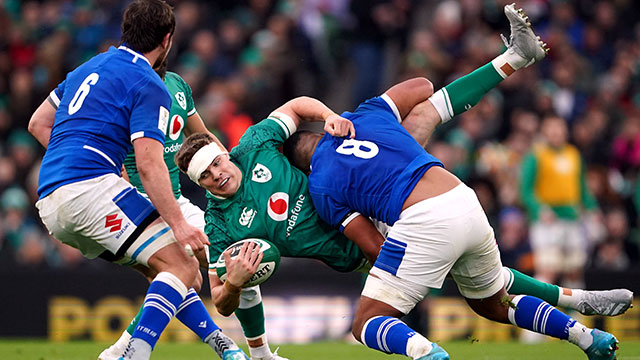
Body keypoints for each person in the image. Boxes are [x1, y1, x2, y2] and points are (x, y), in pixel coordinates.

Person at [174, 4, 631, 348]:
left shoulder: (314, 181)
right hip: (457, 196)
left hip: (400, 225)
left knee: (368, 324)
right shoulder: (366, 116)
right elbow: (423, 88)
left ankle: (433, 354)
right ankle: (579, 317)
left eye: (215, 163)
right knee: (488, 294)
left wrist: (393, 256)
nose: (217, 174)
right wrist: (343, 117)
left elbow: (372, 244)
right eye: (207, 177)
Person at [27, 1, 247, 359]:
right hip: (91, 189)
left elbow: (38, 123)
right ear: (167, 40)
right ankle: (134, 354)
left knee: (170, 273)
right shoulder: (148, 82)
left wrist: (71, 159)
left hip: (51, 199)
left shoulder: (88, 67)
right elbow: (149, 163)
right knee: (184, 264)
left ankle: (220, 348)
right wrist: (180, 224)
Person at [520, 115, 602, 289]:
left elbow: (582, 187)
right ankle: (538, 310)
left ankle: (574, 313)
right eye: (551, 128)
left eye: (559, 127)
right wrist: (539, 209)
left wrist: (592, 208)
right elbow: (526, 190)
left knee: (574, 268)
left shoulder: (573, 154)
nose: (556, 132)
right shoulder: (536, 156)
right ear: (544, 131)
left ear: (565, 131)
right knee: (548, 268)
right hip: (547, 220)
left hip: (572, 218)